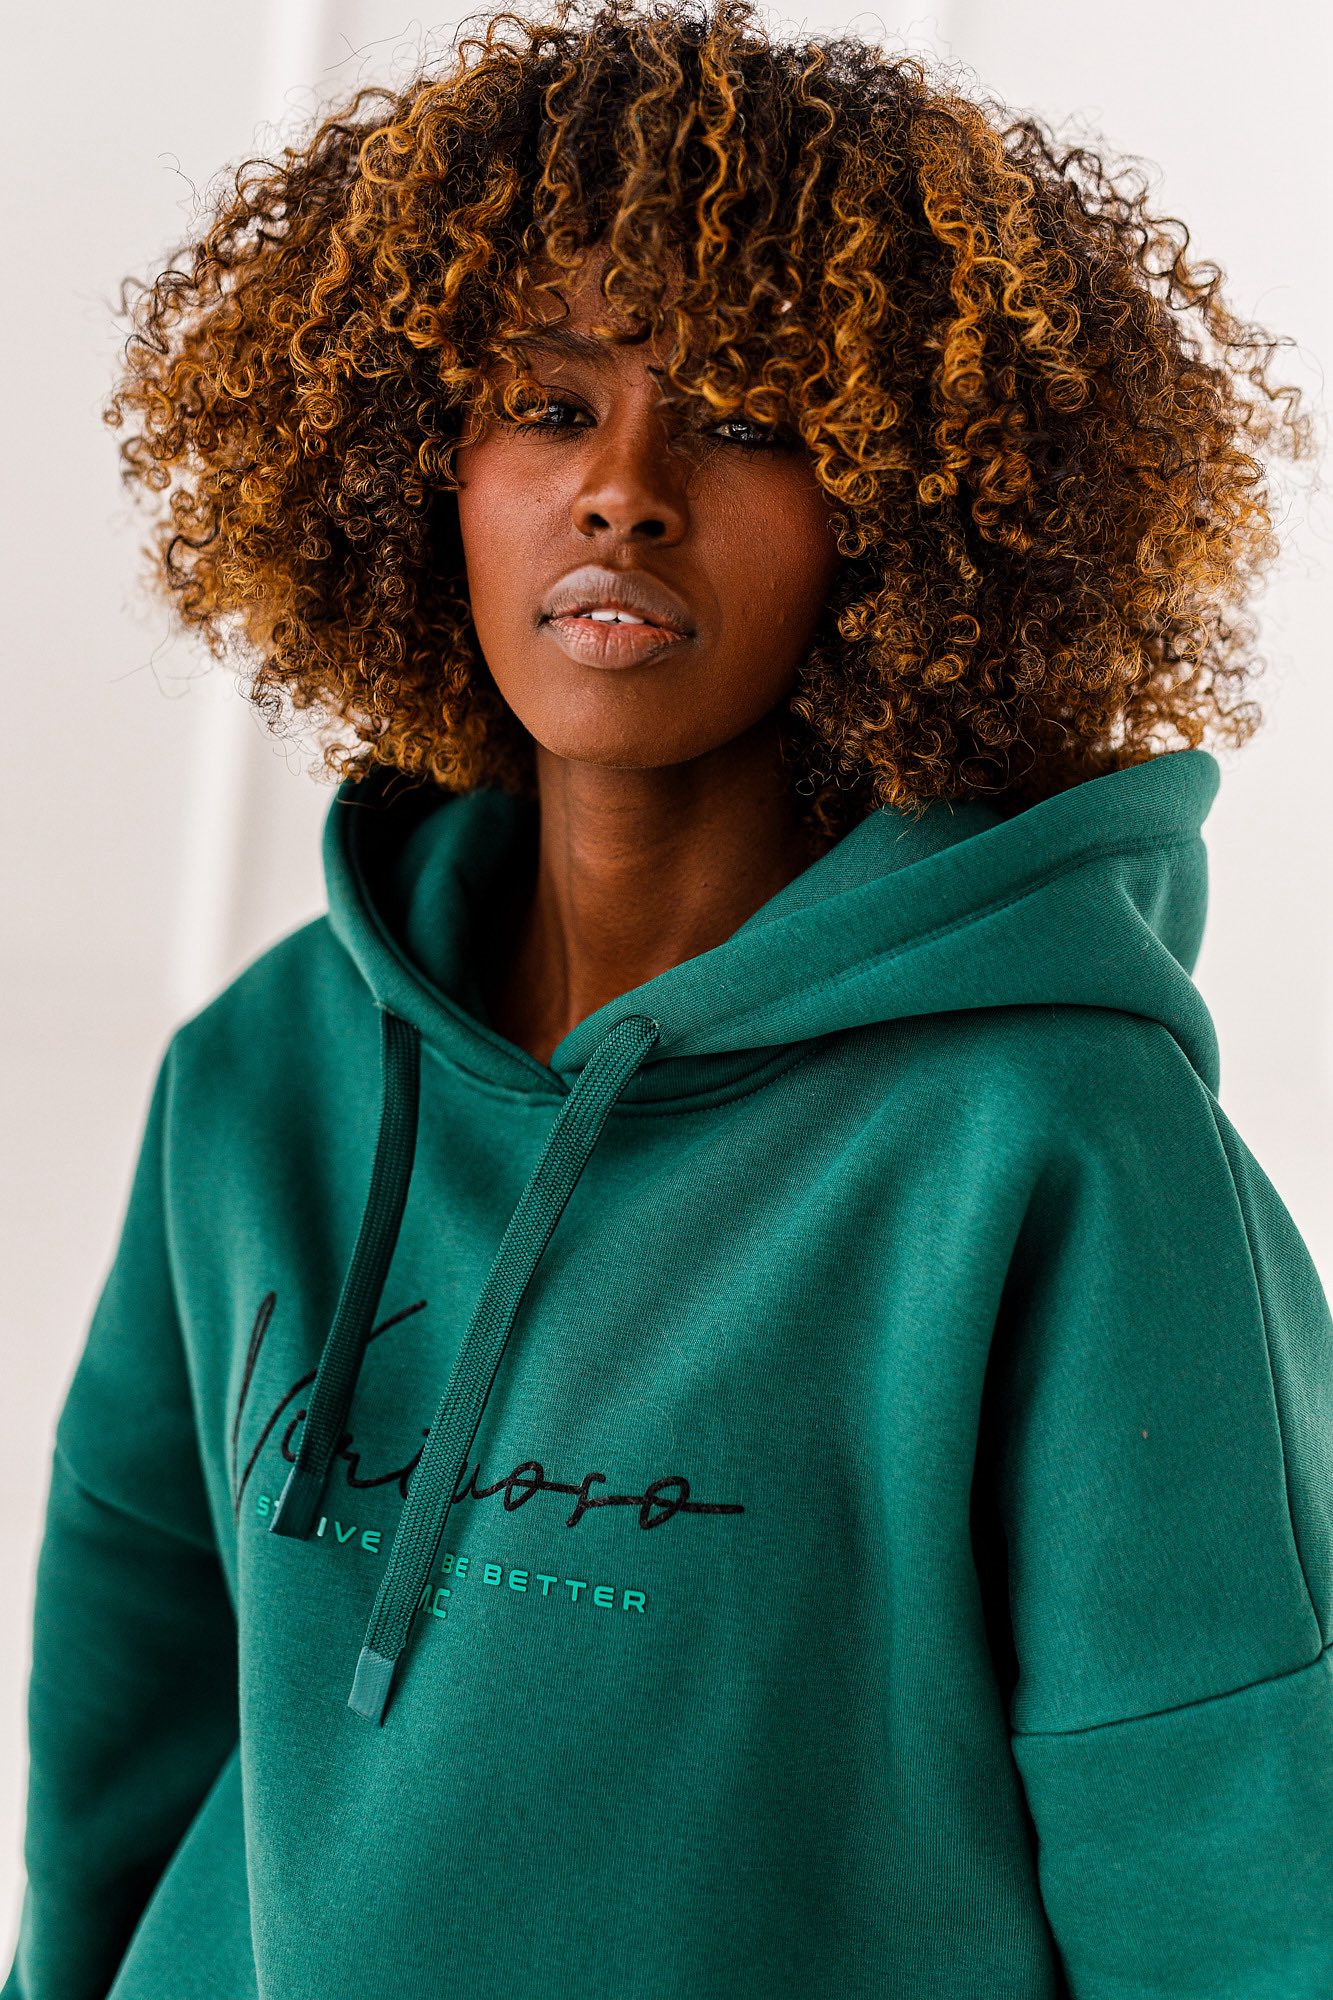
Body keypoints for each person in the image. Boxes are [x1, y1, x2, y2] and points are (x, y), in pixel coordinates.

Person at [5, 0, 1331, 1993]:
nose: (623, 489)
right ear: (421, 470)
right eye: (547, 408)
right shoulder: (263, 1077)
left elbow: (1229, 1893)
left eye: (745, 419)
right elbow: (121, 1742)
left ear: (905, 512)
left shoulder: (1057, 1150)